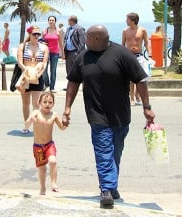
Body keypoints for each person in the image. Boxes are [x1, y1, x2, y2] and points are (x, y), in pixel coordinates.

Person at [62, 25, 155, 208]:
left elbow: (140, 80)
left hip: (120, 115)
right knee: (103, 151)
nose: (85, 41)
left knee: (115, 153)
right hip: (96, 115)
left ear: (97, 38)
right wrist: (67, 108)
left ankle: (112, 186)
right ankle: (106, 190)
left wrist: (146, 106)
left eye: (87, 37)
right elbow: (73, 82)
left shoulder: (122, 54)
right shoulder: (83, 57)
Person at [25, 91, 67, 195]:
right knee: (42, 168)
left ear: (53, 103)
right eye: (45, 102)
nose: (47, 104)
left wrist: (66, 122)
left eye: (50, 102)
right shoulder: (36, 113)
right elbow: (26, 125)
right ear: (39, 102)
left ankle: (53, 183)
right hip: (38, 146)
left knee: (53, 161)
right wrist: (30, 120)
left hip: (49, 144)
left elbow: (62, 127)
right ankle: (42, 187)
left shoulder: (54, 115)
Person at [16, 26, 49, 134]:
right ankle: (26, 125)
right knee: (26, 103)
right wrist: (27, 69)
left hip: (38, 77)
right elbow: (20, 62)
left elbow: (44, 63)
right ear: (29, 35)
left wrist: (39, 73)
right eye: (34, 34)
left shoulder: (44, 48)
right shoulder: (23, 46)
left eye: (38, 34)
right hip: (26, 77)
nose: (36, 36)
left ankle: (36, 124)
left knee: (36, 103)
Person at [122, 12, 151, 106]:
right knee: (130, 79)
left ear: (133, 20)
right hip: (129, 56)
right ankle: (132, 98)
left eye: (127, 19)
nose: (126, 21)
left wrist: (150, 55)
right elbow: (122, 44)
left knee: (140, 78)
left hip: (139, 56)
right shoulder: (125, 31)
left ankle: (137, 96)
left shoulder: (142, 30)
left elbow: (146, 43)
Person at [42, 16, 65, 93]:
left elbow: (61, 43)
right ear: (48, 21)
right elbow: (41, 42)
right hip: (46, 53)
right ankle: (47, 84)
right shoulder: (44, 31)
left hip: (55, 53)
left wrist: (63, 53)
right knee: (44, 70)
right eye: (50, 20)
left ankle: (52, 87)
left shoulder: (58, 31)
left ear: (55, 21)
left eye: (53, 20)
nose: (51, 21)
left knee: (53, 70)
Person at [63, 15, 86, 90]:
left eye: (68, 20)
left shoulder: (80, 29)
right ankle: (70, 86)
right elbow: (66, 39)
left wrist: (79, 53)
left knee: (79, 70)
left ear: (72, 21)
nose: (68, 22)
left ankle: (84, 86)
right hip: (68, 53)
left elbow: (82, 42)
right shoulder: (68, 29)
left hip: (76, 52)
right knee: (69, 70)